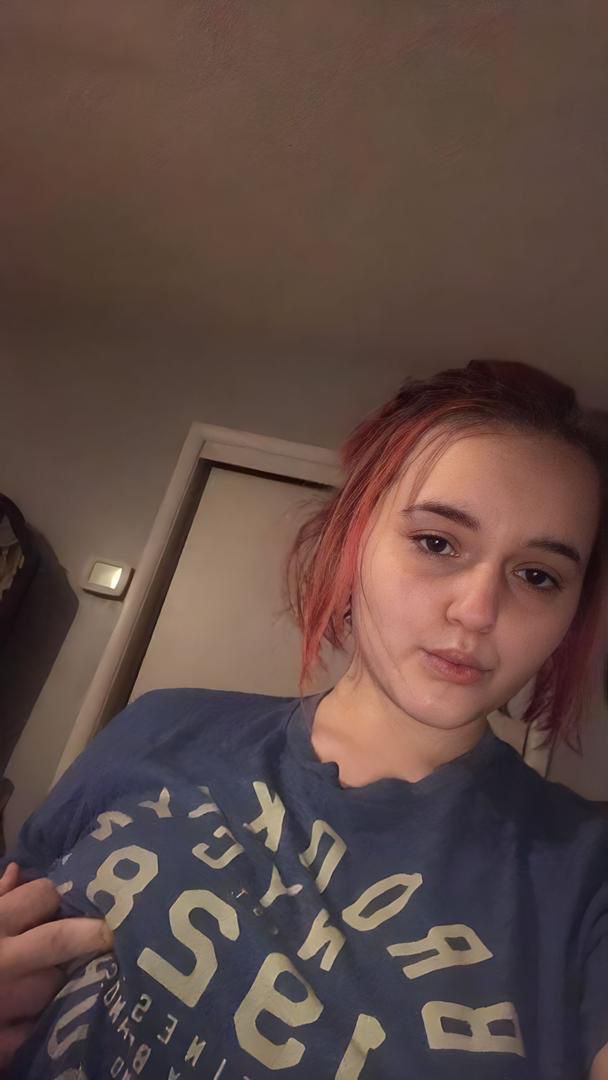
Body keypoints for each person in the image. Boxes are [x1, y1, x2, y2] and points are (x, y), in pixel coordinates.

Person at [0, 358, 607, 1079]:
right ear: (355, 535)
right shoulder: (158, 727)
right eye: (437, 542)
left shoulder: (586, 874)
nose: (477, 611)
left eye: (537, 575)